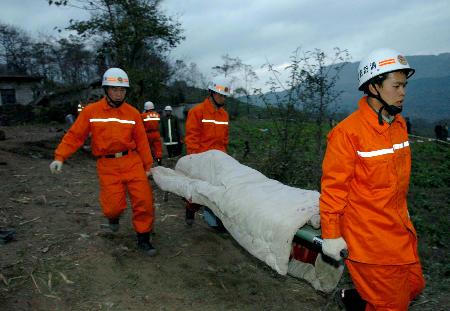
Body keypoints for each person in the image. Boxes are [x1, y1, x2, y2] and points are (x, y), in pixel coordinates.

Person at [319, 48, 425, 310]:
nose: (403, 92)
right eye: (396, 85)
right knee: (393, 304)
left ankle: (361, 300)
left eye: (405, 85)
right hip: (369, 241)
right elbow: (333, 189)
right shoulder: (347, 134)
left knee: (414, 286)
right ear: (373, 87)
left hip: (399, 232)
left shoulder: (398, 125)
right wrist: (331, 234)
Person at [49, 67, 157, 257]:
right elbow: (75, 136)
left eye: (122, 90)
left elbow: (142, 142)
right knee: (113, 207)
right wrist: (60, 156)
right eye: (114, 89)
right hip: (107, 165)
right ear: (106, 89)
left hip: (132, 162)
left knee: (144, 201)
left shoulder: (132, 113)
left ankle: (143, 237)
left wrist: (148, 165)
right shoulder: (91, 111)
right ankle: (113, 218)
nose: (118, 93)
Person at [184, 77, 231, 229]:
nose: (222, 98)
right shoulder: (197, 112)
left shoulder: (224, 115)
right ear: (210, 93)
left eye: (224, 95)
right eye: (219, 94)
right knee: (198, 191)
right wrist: (194, 160)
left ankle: (216, 221)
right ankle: (190, 209)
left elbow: (224, 140)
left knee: (216, 192)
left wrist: (225, 160)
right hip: (202, 159)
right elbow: (192, 138)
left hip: (219, 161)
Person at [141, 101, 163, 165]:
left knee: (148, 148)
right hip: (156, 133)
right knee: (158, 148)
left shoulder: (143, 115)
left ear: (146, 108)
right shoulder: (157, 115)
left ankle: (150, 161)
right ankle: (159, 161)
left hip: (147, 134)